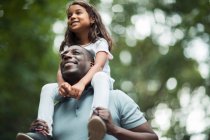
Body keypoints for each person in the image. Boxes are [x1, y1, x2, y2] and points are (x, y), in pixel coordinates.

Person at [17, 0, 114, 139]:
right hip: (73, 87)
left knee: (100, 77)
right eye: (69, 15)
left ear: (92, 19)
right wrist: (63, 85)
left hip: (96, 85)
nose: (72, 17)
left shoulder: (99, 43)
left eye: (78, 13)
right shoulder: (68, 47)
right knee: (47, 88)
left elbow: (98, 66)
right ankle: (43, 131)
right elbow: (60, 71)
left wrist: (81, 84)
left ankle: (97, 118)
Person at [16, 45, 158, 140]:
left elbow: (152, 138)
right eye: (64, 55)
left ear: (92, 64)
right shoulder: (53, 109)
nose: (66, 56)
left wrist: (114, 129)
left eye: (76, 53)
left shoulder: (116, 98)